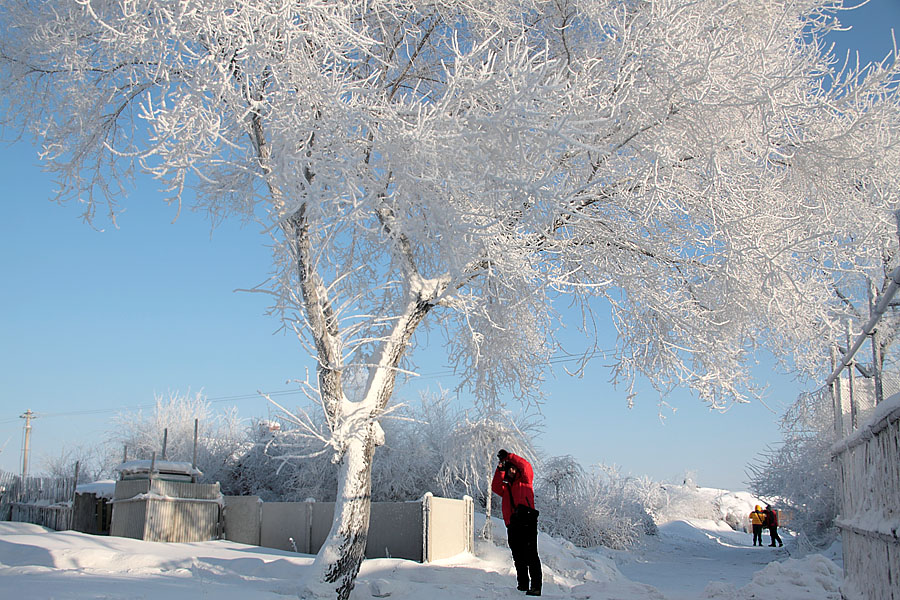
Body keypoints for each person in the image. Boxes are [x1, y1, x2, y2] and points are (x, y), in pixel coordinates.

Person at [492, 448, 542, 596]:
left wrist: (510, 457)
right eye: (509, 470)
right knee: (517, 554)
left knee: (531, 554)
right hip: (512, 523)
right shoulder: (506, 488)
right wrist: (500, 468)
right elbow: (495, 487)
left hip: (527, 519)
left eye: (513, 469)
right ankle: (523, 585)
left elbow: (525, 466)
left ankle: (536, 586)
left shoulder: (525, 480)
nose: (512, 472)